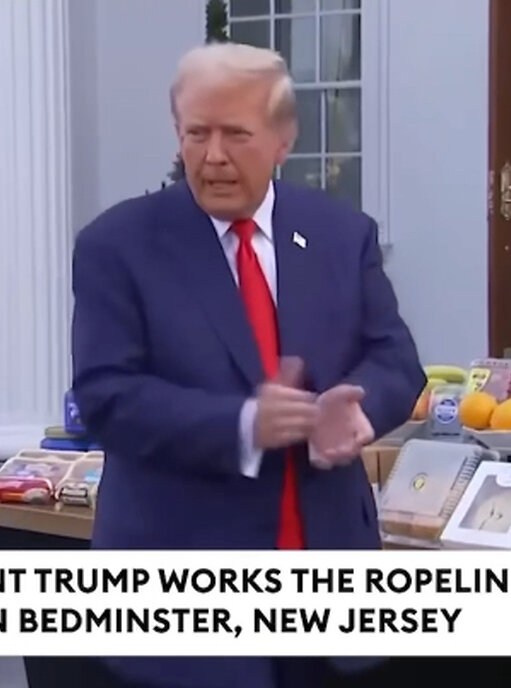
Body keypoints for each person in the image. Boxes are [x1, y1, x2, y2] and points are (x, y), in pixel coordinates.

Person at [70, 42, 425, 688]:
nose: (212, 157)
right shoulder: (117, 246)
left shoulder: (342, 235)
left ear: (283, 140)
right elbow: (106, 396)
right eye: (195, 133)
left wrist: (358, 411)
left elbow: (396, 358)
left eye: (236, 135)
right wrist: (242, 424)